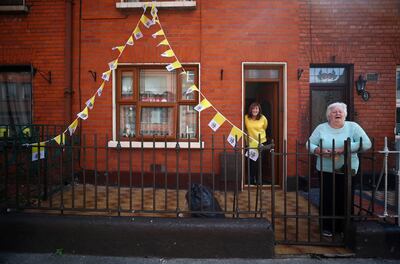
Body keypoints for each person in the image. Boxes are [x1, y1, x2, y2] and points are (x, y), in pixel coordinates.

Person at [307, 102, 371, 237]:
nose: (337, 114)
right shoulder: (321, 128)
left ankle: (344, 227)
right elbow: (309, 143)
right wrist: (318, 150)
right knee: (327, 197)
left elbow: (366, 143)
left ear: (345, 114)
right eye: (334, 112)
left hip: (347, 169)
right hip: (326, 169)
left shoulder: (353, 127)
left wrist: (343, 149)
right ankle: (327, 227)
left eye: (340, 111)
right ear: (328, 115)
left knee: (345, 197)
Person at [244, 102, 268, 185]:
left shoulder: (263, 118)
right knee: (251, 163)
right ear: (250, 110)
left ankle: (259, 180)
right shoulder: (246, 118)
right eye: (253, 108)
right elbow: (244, 128)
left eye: (257, 108)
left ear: (259, 110)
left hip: (261, 143)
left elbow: (265, 127)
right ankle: (251, 180)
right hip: (250, 143)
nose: (255, 110)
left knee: (259, 162)